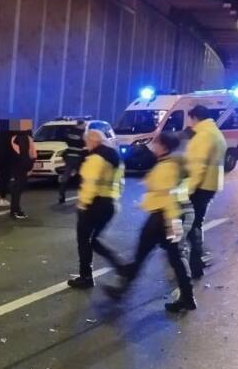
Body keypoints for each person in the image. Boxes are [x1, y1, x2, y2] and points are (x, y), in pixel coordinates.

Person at [102, 132, 196, 311]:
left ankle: (122, 290)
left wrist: (171, 223)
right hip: (163, 217)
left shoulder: (167, 167)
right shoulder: (169, 164)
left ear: (164, 147)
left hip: (163, 218)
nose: (153, 145)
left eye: (157, 143)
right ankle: (187, 298)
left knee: (162, 257)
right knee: (172, 258)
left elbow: (169, 196)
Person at [68, 130, 124, 289]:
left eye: (86, 141)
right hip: (109, 203)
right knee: (95, 240)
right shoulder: (115, 157)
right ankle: (120, 266)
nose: (85, 144)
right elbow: (120, 183)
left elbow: (90, 183)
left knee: (84, 241)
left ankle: (86, 277)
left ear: (92, 141)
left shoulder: (95, 158)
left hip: (94, 204)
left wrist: (83, 203)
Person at [183, 105, 226, 281]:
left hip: (200, 187)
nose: (189, 124)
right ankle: (195, 262)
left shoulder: (204, 136)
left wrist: (185, 191)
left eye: (190, 119)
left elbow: (197, 167)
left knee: (193, 225)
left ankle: (194, 263)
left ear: (195, 118)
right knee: (195, 224)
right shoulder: (215, 132)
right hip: (210, 185)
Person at [9, 129, 36, 220]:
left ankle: (14, 210)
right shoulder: (28, 138)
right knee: (19, 189)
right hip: (23, 166)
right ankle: (16, 210)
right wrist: (30, 167)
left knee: (16, 189)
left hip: (15, 166)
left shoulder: (13, 138)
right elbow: (32, 154)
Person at [58, 123, 86, 204]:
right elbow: (84, 144)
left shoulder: (69, 132)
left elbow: (65, 140)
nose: (85, 126)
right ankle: (84, 195)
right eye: (84, 125)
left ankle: (61, 195)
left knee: (66, 176)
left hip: (69, 157)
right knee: (82, 176)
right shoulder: (83, 133)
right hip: (78, 157)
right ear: (81, 125)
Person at [0, 129, 14, 207]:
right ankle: (3, 198)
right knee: (6, 178)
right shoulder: (11, 134)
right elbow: (13, 148)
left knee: (1, 178)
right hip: (7, 159)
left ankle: (2, 198)